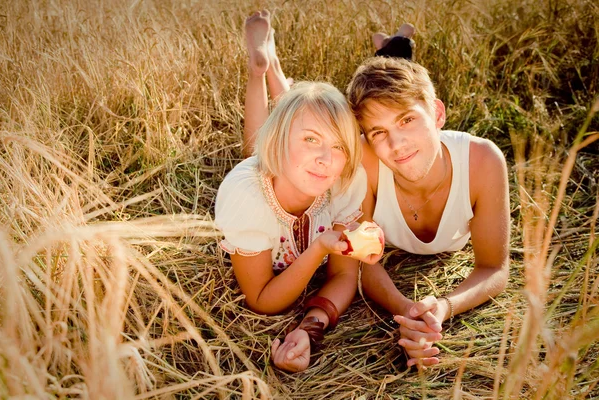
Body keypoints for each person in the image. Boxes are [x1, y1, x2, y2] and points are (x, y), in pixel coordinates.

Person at [215, 10, 382, 373]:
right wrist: (319, 248)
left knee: (296, 132)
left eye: (339, 146)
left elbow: (343, 275)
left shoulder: (344, 180)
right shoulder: (248, 200)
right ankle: (259, 70)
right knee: (254, 151)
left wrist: (311, 328)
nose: (326, 159)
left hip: (284, 153)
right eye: (312, 141)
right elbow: (261, 299)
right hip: (263, 170)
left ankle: (274, 70)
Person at [346, 57, 510, 368]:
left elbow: (494, 267)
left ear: (437, 113)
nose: (397, 144)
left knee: (397, 52)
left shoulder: (482, 161)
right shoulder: (364, 162)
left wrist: (443, 308)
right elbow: (359, 263)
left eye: (407, 119)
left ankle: (396, 46)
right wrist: (408, 312)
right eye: (378, 132)